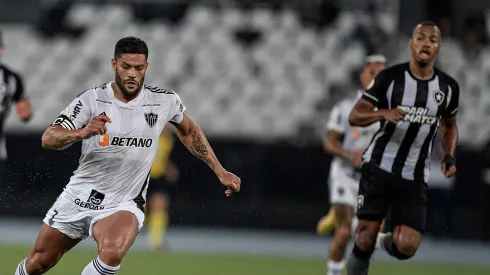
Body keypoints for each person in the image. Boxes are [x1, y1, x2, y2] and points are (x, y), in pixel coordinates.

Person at [14, 36, 241, 275]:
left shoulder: (164, 101)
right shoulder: (91, 99)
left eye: (138, 68)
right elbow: (48, 138)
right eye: (126, 67)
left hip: (123, 202)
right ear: (114, 65)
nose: (132, 73)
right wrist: (81, 132)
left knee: (112, 252)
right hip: (79, 195)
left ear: (146, 67)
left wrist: (220, 170)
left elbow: (190, 132)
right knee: (38, 263)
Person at [346, 21, 459, 275]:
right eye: (420, 38)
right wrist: (384, 113)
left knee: (407, 246)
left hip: (415, 174)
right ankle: (370, 239)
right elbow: (355, 115)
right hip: (380, 165)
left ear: (438, 47)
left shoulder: (448, 87)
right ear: (411, 43)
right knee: (363, 240)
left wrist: (449, 155)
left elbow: (450, 126)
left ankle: (382, 239)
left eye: (432, 39)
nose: (425, 43)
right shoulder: (389, 78)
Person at [315, 55, 386, 275]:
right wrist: (349, 154)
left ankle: (336, 215)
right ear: (362, 75)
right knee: (344, 233)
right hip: (345, 174)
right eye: (372, 74)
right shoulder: (346, 108)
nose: (376, 79)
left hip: (372, 179)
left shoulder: (390, 113)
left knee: (368, 238)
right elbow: (329, 142)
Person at [0, 29, 33, 189]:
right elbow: (24, 111)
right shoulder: (11, 78)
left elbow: (25, 112)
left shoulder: (12, 78)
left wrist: (25, 108)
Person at [146, 123, 180, 250]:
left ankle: (155, 240)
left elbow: (162, 158)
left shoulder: (168, 140)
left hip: (157, 177)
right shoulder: (149, 136)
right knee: (140, 207)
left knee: (160, 205)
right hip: (143, 176)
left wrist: (168, 167)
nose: (170, 128)